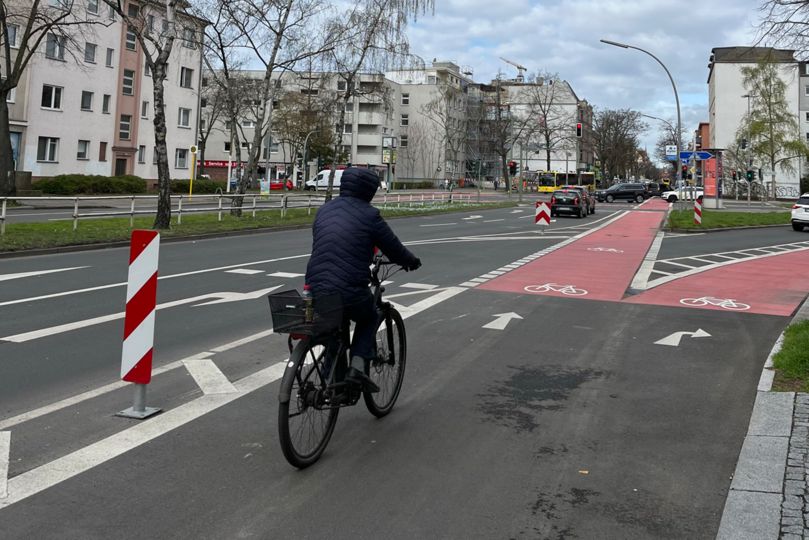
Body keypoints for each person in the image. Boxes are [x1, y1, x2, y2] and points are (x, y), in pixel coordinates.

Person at [305, 167, 421, 392]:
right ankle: (356, 369)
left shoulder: (324, 211)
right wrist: (410, 261)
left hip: (314, 286)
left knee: (333, 327)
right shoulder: (370, 216)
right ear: (369, 191)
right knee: (370, 316)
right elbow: (393, 248)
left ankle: (330, 381)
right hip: (348, 290)